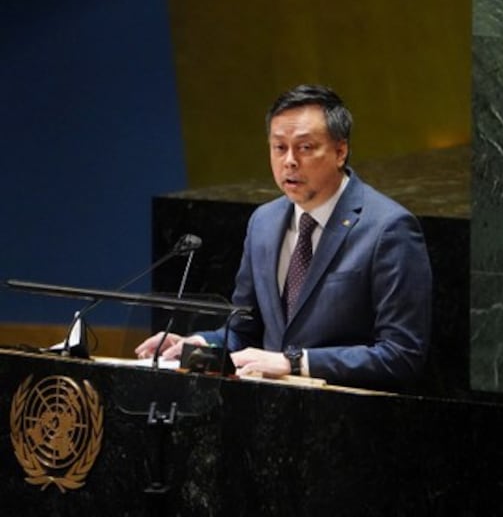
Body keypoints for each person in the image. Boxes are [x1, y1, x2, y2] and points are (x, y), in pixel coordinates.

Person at [136, 84, 432, 389]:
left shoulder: (388, 228)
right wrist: (195, 344)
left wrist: (295, 362)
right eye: (279, 147)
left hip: (347, 419)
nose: (289, 161)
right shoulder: (264, 222)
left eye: (304, 148)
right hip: (270, 416)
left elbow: (401, 355)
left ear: (340, 151)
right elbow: (244, 332)